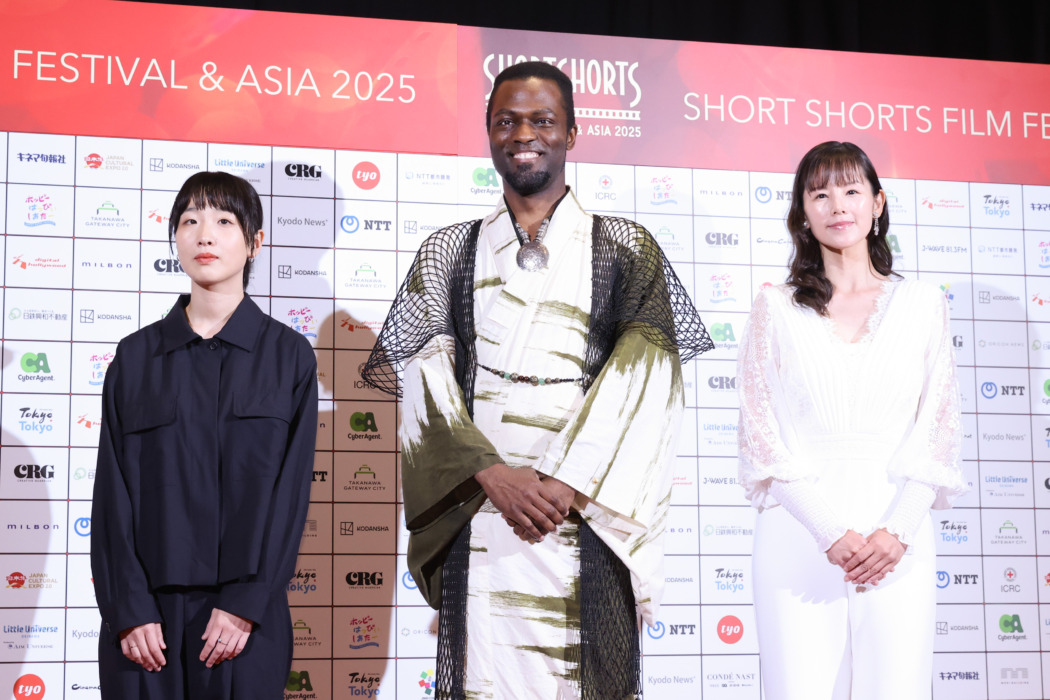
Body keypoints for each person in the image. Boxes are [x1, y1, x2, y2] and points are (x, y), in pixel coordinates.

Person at [362, 61, 711, 699]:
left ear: (571, 133)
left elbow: (647, 380)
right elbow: (425, 380)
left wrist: (565, 483)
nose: (524, 134)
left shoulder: (626, 247)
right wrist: (493, 475)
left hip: (586, 518)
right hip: (482, 512)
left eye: (542, 120)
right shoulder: (448, 251)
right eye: (507, 121)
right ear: (489, 133)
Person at [737, 141, 967, 700]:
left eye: (851, 190)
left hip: (899, 538)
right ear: (802, 212)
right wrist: (828, 532)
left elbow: (939, 432)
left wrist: (898, 532)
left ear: (877, 202)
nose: (837, 205)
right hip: (799, 538)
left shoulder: (923, 304)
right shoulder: (775, 307)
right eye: (820, 194)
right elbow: (760, 437)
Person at [91, 171, 318, 699]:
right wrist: (129, 608)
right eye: (189, 221)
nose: (204, 235)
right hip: (145, 627)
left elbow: (290, 497)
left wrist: (246, 602)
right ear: (175, 237)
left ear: (255, 242)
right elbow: (111, 495)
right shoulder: (135, 357)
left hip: (246, 623)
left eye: (223, 221)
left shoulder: (288, 357)